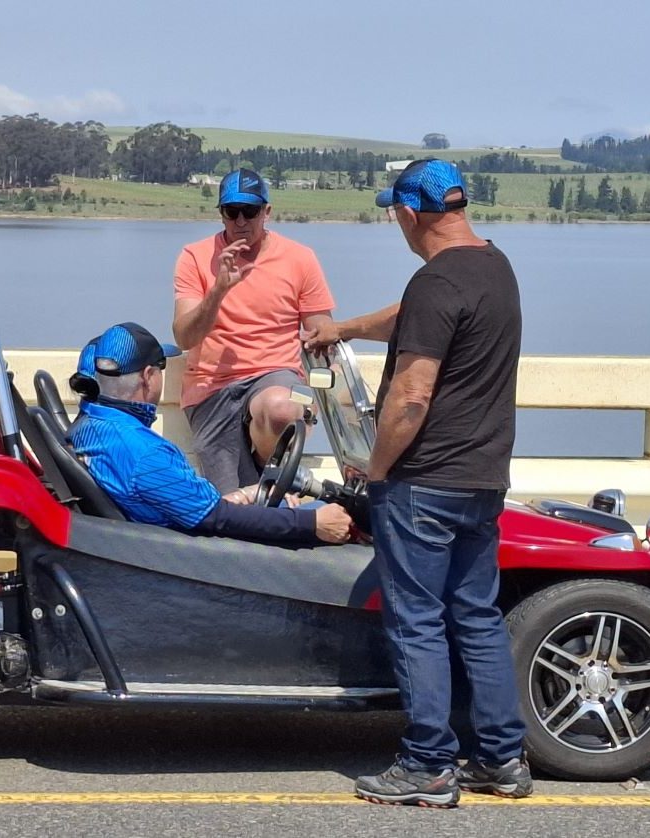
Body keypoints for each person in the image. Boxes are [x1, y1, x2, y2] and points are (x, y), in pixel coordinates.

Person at [348, 159, 532, 807]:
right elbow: (411, 318)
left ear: (410, 212)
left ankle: (427, 763)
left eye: (393, 212)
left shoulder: (435, 279)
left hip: (424, 479)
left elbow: (411, 396)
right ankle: (502, 759)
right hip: (484, 477)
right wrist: (343, 330)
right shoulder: (494, 266)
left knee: (418, 621)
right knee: (477, 618)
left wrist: (377, 469)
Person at [66, 321, 352, 544]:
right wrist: (313, 524)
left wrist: (247, 494)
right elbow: (217, 520)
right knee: (325, 515)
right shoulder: (143, 452)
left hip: (172, 528)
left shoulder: (90, 426)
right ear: (148, 376)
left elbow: (199, 507)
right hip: (193, 558)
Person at [172, 168, 336, 494]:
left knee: (283, 407)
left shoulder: (300, 259)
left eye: (251, 211)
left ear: (267, 212)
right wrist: (218, 290)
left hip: (276, 375)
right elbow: (185, 337)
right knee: (232, 506)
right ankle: (269, 488)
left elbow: (323, 332)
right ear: (221, 215)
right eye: (232, 212)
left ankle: (271, 474)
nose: (241, 221)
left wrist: (318, 384)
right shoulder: (195, 257)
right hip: (212, 388)